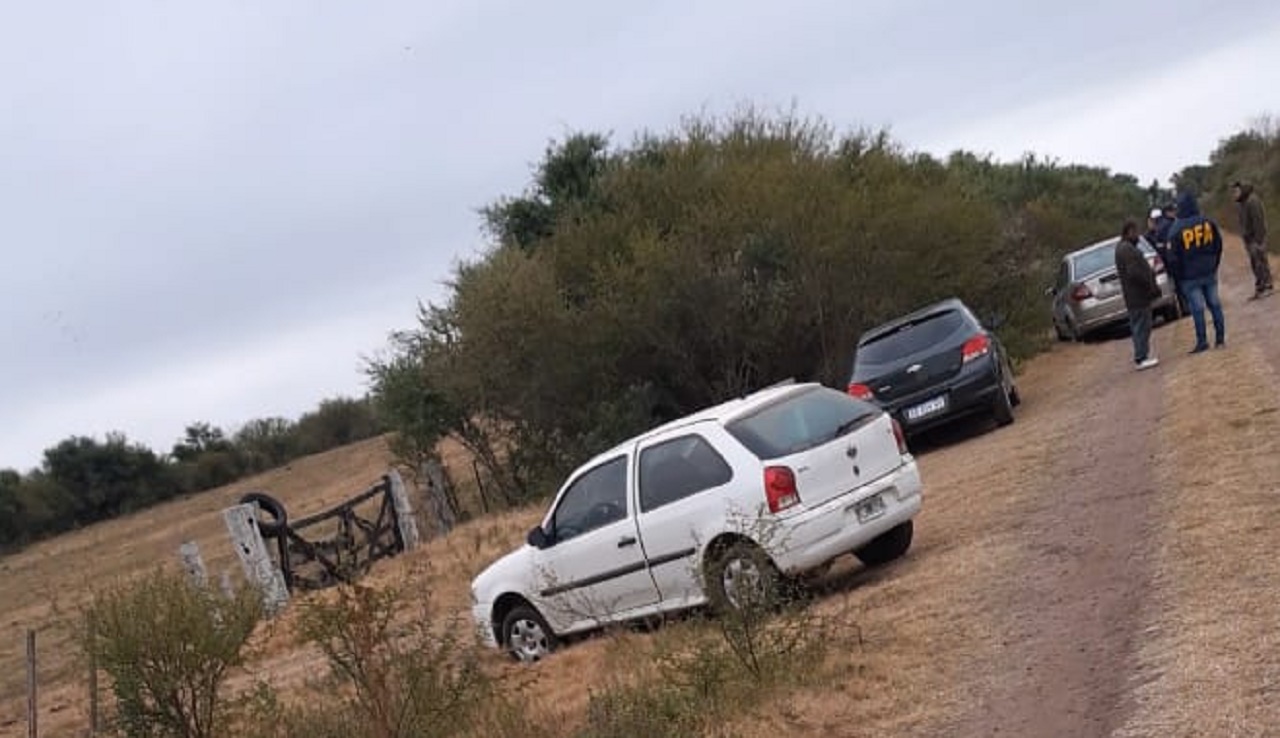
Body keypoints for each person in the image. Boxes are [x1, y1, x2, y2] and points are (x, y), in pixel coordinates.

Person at [1167, 191, 1226, 353]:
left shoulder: (1176, 229)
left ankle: (1202, 342)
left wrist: (1179, 277)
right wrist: (1214, 264)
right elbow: (1218, 245)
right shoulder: (1208, 222)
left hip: (1189, 276)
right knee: (1215, 304)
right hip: (1208, 271)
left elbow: (1172, 258)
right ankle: (1220, 338)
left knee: (1197, 309)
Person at [1114, 219, 1162, 370]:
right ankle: (1141, 357)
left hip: (1134, 295)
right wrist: (1148, 283)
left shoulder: (1123, 248)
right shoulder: (1127, 250)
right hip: (1137, 295)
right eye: (1136, 232)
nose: (1139, 235)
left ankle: (1142, 355)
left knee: (1140, 325)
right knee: (1142, 325)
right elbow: (1134, 272)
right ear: (1129, 232)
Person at [1230, 181, 1272, 298]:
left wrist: (1259, 240)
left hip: (1256, 238)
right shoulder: (1240, 204)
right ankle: (1260, 287)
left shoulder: (1252, 201)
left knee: (1261, 262)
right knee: (1255, 263)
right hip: (1248, 238)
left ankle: (1267, 286)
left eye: (1236, 191)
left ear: (1242, 190)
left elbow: (1259, 221)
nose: (1234, 194)